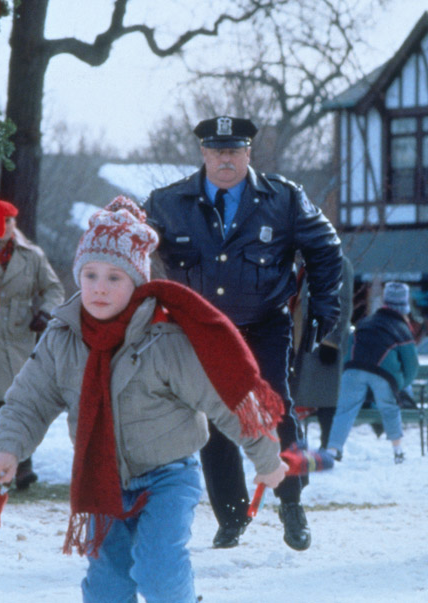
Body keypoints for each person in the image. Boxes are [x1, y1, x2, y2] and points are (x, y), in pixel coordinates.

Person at [0, 197, 287, 602]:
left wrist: (267, 459)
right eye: (90, 274)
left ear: (137, 282)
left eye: (114, 277)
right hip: (102, 476)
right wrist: (7, 448)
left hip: (168, 476)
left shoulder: (163, 338)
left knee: (158, 570)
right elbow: (28, 401)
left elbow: (223, 399)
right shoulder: (63, 337)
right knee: (108, 585)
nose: (99, 287)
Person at [143, 115, 343, 551]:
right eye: (217, 151)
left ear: (249, 152)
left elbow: (326, 248)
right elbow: (131, 246)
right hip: (202, 331)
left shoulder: (283, 199)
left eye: (234, 151)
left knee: (275, 410)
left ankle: (291, 502)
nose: (225, 160)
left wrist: (324, 304)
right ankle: (231, 516)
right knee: (215, 418)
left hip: (264, 324)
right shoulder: (167, 203)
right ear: (203, 153)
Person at [0, 200, 64, 490]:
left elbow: (54, 288)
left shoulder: (32, 255)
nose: (5, 226)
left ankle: (16, 464)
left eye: (9, 221)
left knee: (15, 397)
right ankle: (10, 463)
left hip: (20, 334)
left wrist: (46, 312)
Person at [324, 281, 419, 464]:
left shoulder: (365, 322)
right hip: (383, 375)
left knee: (344, 410)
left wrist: (348, 369)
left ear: (384, 301)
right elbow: (412, 366)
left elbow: (349, 348)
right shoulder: (402, 330)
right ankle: (398, 451)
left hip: (353, 369)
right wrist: (400, 385)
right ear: (405, 306)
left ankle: (333, 449)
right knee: (390, 409)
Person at [290, 256, 354, 449]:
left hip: (322, 341)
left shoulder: (336, 261)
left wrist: (331, 340)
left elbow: (342, 302)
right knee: (296, 396)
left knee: (325, 399)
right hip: (299, 340)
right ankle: (295, 444)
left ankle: (328, 447)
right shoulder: (304, 262)